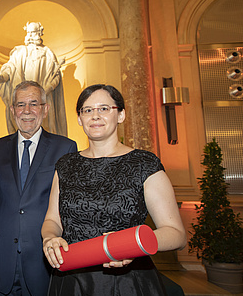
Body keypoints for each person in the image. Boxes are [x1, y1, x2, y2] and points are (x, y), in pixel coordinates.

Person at [41, 84, 187, 295]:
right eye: (88, 110)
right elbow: (52, 220)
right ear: (80, 119)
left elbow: (176, 235)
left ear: (121, 115)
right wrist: (50, 239)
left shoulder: (144, 163)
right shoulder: (65, 165)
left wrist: (132, 247)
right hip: (72, 280)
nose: (95, 116)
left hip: (127, 281)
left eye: (104, 108)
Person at [0, 81, 77, 296]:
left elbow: (70, 211)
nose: (27, 111)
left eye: (34, 104)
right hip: (1, 263)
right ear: (12, 110)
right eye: (20, 105)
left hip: (46, 263)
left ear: (45, 108)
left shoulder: (66, 148)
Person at [0, 22, 67, 137]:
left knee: (45, 129)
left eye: (34, 32)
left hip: (43, 97)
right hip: (22, 97)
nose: (31, 35)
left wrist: (48, 88)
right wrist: (3, 77)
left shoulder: (47, 53)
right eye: (29, 33)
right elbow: (11, 68)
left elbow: (55, 75)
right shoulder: (19, 52)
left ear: (39, 33)